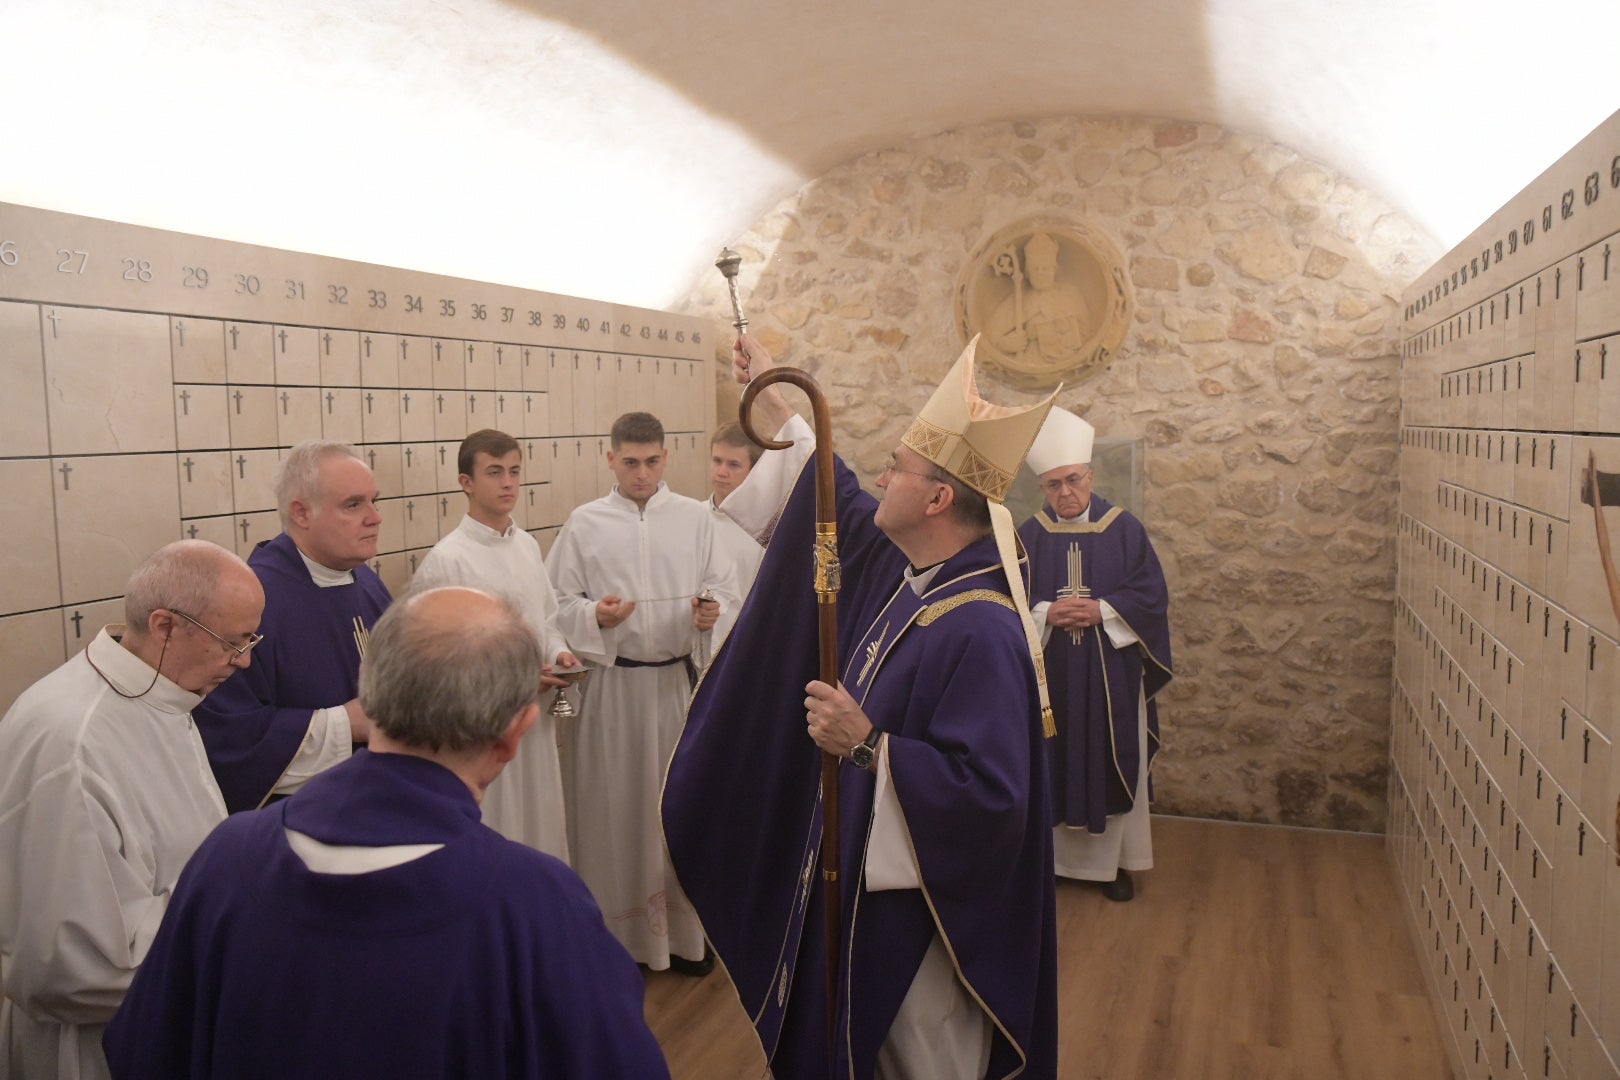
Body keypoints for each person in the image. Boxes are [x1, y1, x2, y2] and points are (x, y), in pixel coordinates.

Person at [664, 333, 1061, 1079]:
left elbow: (992, 801)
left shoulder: (976, 627)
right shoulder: (920, 578)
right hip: (880, 901)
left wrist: (867, 744)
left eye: (899, 470)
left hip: (925, 928)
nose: (884, 478)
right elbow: (835, 497)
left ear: (939, 499)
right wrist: (782, 405)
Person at [103, 587, 670, 1079]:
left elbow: (142, 1051)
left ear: (369, 696)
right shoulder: (533, 902)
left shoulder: (228, 857)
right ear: (515, 732)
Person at [0, 540, 264, 1080]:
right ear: (164, 625)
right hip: (102, 1047)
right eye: (231, 642)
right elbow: (77, 967)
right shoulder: (74, 743)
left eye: (250, 639)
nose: (244, 661)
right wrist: (244, 929)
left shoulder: (158, 691)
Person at [545, 411, 738, 974]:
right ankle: (619, 943)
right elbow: (554, 603)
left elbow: (725, 590)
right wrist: (595, 617)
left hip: (675, 691)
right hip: (612, 691)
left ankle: (683, 938)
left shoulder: (695, 519)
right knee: (612, 813)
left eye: (652, 461)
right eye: (630, 462)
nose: (642, 474)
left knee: (675, 811)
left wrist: (710, 613)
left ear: (666, 457)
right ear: (610, 458)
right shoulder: (584, 523)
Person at [1018, 408, 1173, 902]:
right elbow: (1006, 601)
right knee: (1050, 760)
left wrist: (1103, 610)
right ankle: (1053, 862)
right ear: (1042, 489)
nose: (1064, 493)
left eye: (1072, 480)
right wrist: (1045, 614)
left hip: (1110, 676)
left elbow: (1150, 598)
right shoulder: (1028, 536)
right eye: (1052, 485)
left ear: (1090, 476)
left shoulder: (1125, 530)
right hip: (1052, 679)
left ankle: (1112, 867)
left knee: (1108, 756)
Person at [192, 439, 392, 812]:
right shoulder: (251, 603)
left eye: (374, 500)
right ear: (301, 513)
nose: (375, 516)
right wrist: (345, 724)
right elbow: (229, 742)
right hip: (302, 823)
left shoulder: (366, 582)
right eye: (353, 504)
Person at [413, 428, 579, 861]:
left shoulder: (525, 545)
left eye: (514, 472)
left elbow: (545, 619)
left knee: (539, 834)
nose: (508, 483)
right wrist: (520, 678)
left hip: (533, 726)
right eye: (494, 472)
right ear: (466, 482)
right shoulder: (448, 559)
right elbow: (439, 661)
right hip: (481, 734)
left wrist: (557, 653)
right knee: (498, 840)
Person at [986, 231, 1093, 365]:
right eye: (1035, 269)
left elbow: (1085, 334)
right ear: (1027, 273)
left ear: (1054, 269)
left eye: (1045, 268)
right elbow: (990, 335)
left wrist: (1038, 332)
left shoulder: (1069, 295)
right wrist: (1004, 344)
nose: (1040, 273)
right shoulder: (1018, 299)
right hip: (1028, 365)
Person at [706, 421, 766, 655]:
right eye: (717, 460)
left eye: (733, 465)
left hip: (748, 647)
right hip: (698, 651)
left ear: (754, 470)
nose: (721, 472)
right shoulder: (693, 519)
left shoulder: (767, 529)